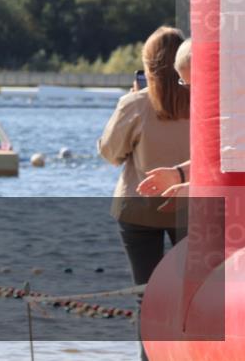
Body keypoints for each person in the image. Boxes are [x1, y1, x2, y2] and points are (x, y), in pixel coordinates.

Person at [97, 26, 190, 361]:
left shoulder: (135, 104)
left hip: (138, 209)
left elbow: (110, 153)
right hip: (192, 208)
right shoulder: (206, 102)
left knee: (147, 296)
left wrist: (130, 100)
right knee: (192, 294)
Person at [137, 38, 192, 205]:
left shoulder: (134, 103)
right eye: (186, 85)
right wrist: (179, 175)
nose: (192, 93)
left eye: (196, 85)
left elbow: (111, 151)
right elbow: (216, 159)